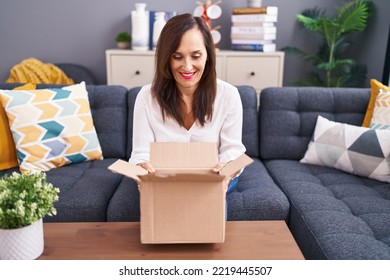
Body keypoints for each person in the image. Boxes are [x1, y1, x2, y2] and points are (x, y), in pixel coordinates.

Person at [129, 13, 246, 193]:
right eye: (177, 57)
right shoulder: (146, 97)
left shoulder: (228, 95)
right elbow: (140, 153)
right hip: (163, 179)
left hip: (213, 179)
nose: (187, 66)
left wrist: (225, 169)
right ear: (166, 58)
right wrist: (143, 168)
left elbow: (233, 150)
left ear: (208, 54)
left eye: (196, 55)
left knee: (206, 201)